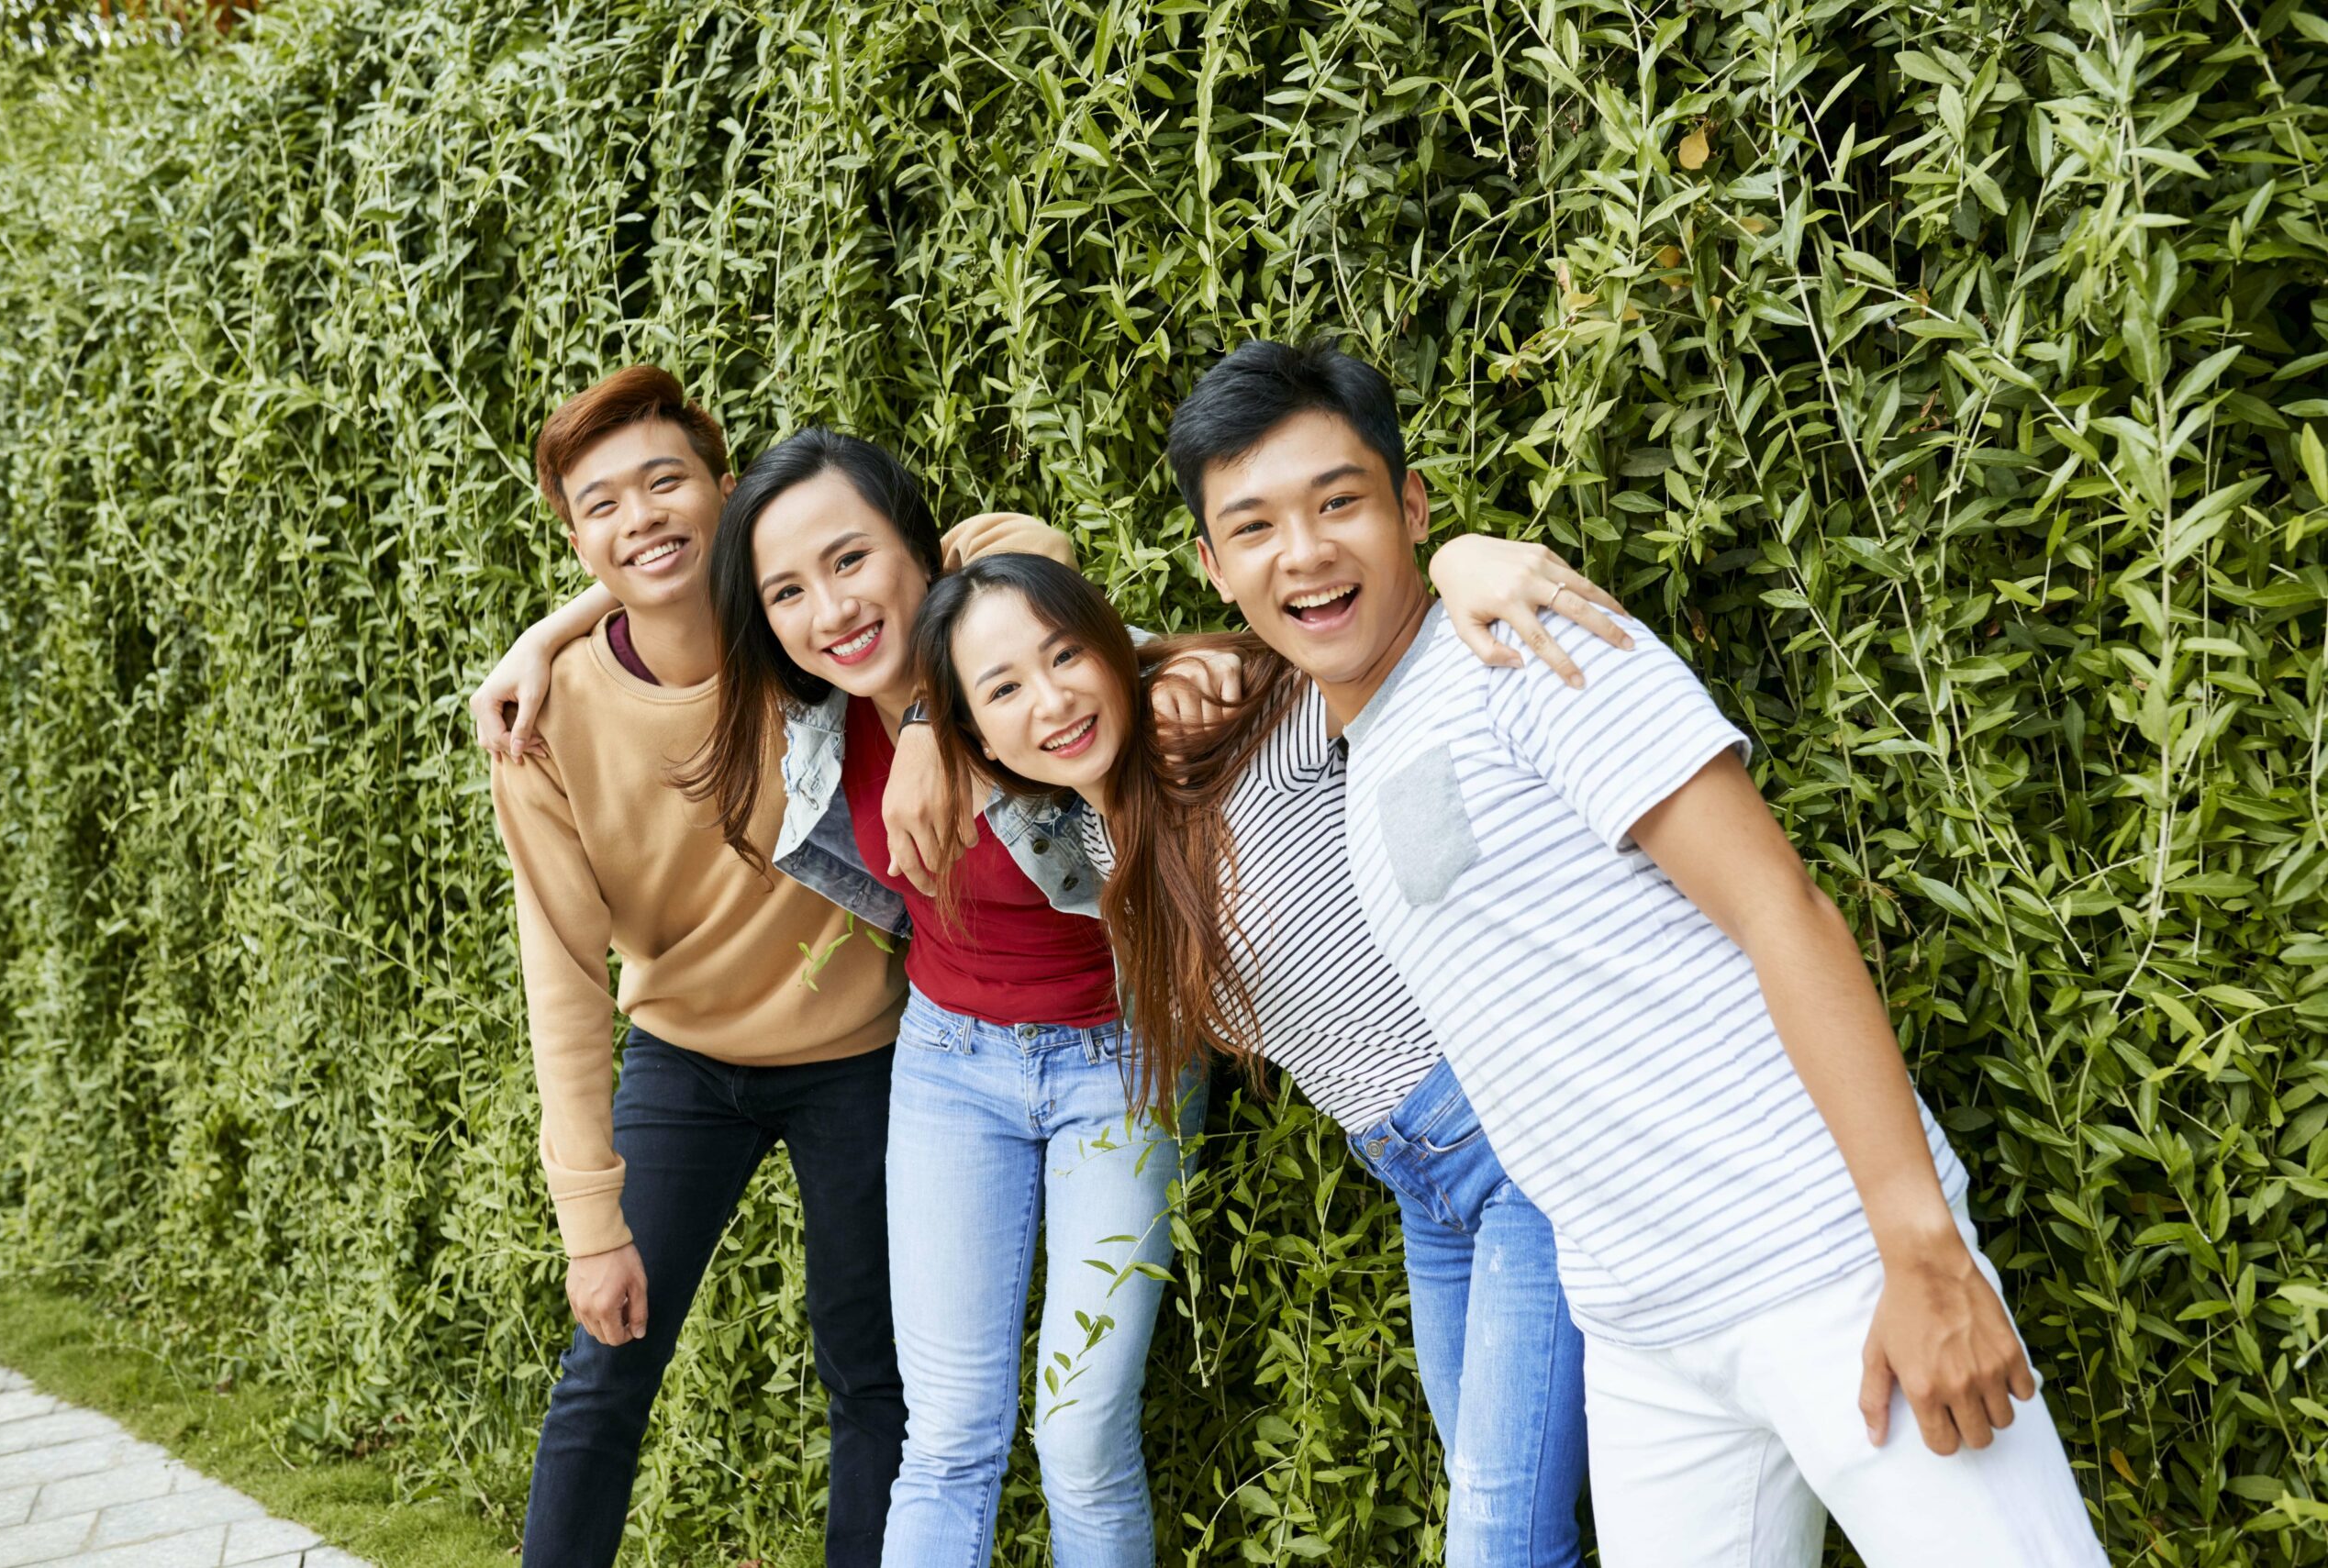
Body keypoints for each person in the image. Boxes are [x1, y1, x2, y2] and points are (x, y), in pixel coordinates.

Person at [1155, 339, 2109, 1567]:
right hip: (1644, 1335)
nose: (1305, 550)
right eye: (1256, 526)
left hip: (1823, 1264)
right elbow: (1053, 660)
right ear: (1213, 563)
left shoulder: (1524, 646)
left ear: (1411, 503)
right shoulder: (1349, 747)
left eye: (1340, 501)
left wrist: (1918, 1248)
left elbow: (1783, 909)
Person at [908, 548, 1620, 1568]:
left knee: (1502, 1540)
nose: (1051, 697)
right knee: (1490, 1503)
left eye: (1067, 653)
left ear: (1114, 646)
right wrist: (924, 730)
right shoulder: (1089, 837)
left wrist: (1460, 558)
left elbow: (1383, 640)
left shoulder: (1236, 730)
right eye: (1005, 688)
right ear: (978, 731)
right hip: (1420, 1182)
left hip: (1512, 1148)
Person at [483, 366, 1072, 1568]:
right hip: (684, 1059)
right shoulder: (541, 725)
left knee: (870, 1365)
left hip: (861, 1050)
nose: (639, 516)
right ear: (572, 534)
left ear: (727, 492)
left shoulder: (805, 632)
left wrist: (920, 722)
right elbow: (563, 981)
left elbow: (1011, 554)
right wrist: (590, 1219)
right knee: (606, 1368)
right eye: (601, 504)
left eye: (665, 482)